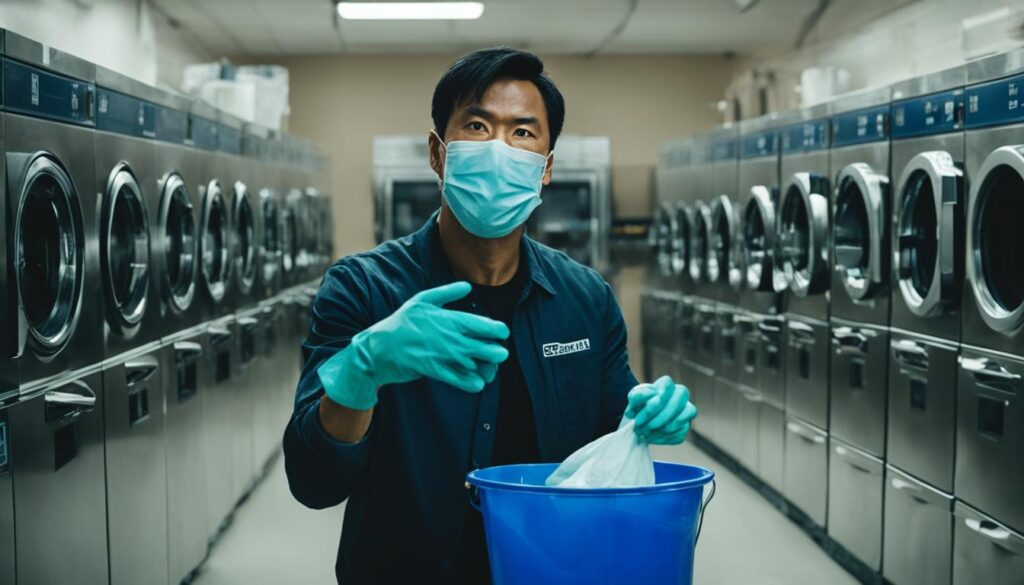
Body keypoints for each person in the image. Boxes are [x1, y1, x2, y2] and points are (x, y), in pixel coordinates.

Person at [282, 46, 698, 584]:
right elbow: (313, 483)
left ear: (546, 169)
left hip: (553, 568)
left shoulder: (585, 298)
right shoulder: (363, 289)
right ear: (439, 153)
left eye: (523, 133)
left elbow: (613, 438)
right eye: (477, 125)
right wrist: (361, 372)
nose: (500, 148)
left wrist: (651, 415)